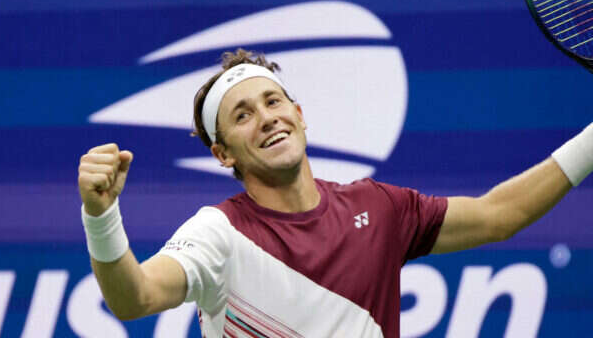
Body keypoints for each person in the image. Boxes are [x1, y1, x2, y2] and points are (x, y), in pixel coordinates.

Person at [78, 49, 593, 338]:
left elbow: (499, 215)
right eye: (243, 115)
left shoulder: (378, 208)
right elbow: (135, 298)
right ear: (223, 153)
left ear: (299, 115)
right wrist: (101, 217)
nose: (267, 119)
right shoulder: (219, 234)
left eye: (273, 102)